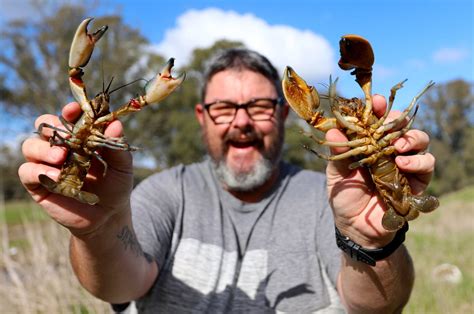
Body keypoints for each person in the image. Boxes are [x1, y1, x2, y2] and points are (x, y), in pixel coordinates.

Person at [19, 48, 435, 313]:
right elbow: (119, 286)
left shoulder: (329, 196)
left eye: (258, 106)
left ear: (284, 114)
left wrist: (371, 242)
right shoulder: (166, 193)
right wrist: (100, 230)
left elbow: (376, 308)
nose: (241, 123)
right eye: (223, 108)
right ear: (202, 117)